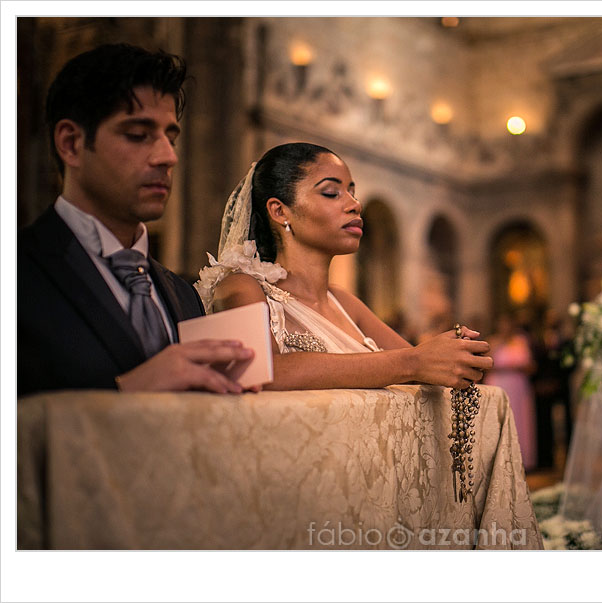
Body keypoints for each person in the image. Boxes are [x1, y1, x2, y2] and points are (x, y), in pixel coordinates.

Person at [18, 43, 255, 397]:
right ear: (71, 143)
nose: (167, 156)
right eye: (138, 135)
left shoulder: (182, 294)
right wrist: (126, 390)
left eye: (170, 137)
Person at [195, 143, 492, 390]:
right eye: (331, 193)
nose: (354, 204)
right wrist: (413, 363)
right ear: (279, 210)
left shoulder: (345, 303)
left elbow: (419, 365)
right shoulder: (239, 286)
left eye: (352, 191)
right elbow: (261, 372)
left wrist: (450, 353)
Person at [483, 313, 537, 470]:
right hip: (499, 383)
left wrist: (519, 367)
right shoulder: (493, 341)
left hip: (518, 386)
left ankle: (523, 458)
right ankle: (500, 459)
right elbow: (486, 364)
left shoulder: (521, 341)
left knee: (519, 419)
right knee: (500, 419)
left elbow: (530, 365)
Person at [532, 311, 575, 470]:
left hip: (560, 386)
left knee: (567, 421)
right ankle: (546, 459)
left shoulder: (567, 342)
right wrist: (540, 382)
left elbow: (571, 364)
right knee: (543, 423)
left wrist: (557, 381)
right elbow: (535, 362)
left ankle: (570, 457)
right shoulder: (538, 340)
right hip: (542, 387)